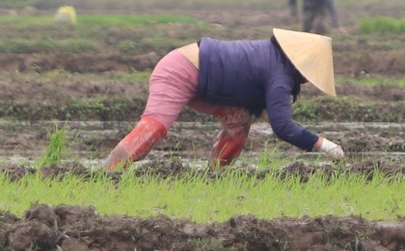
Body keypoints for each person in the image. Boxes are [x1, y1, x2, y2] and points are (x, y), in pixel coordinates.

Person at [106, 28, 346, 170]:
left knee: (239, 120)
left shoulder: (274, 61)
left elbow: (269, 113)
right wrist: (324, 145)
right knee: (155, 126)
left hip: (206, 81)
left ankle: (215, 175)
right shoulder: (280, 75)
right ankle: (107, 172)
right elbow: (282, 126)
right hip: (180, 70)